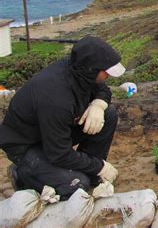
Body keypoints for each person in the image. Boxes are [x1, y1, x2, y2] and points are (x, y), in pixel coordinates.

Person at [0, 36, 125, 199]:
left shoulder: (79, 69)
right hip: (26, 144)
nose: (108, 75)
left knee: (108, 115)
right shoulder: (56, 98)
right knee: (76, 185)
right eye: (106, 71)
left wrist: (99, 104)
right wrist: (100, 166)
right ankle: (23, 174)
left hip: (50, 135)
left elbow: (102, 88)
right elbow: (58, 153)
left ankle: (89, 173)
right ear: (92, 70)